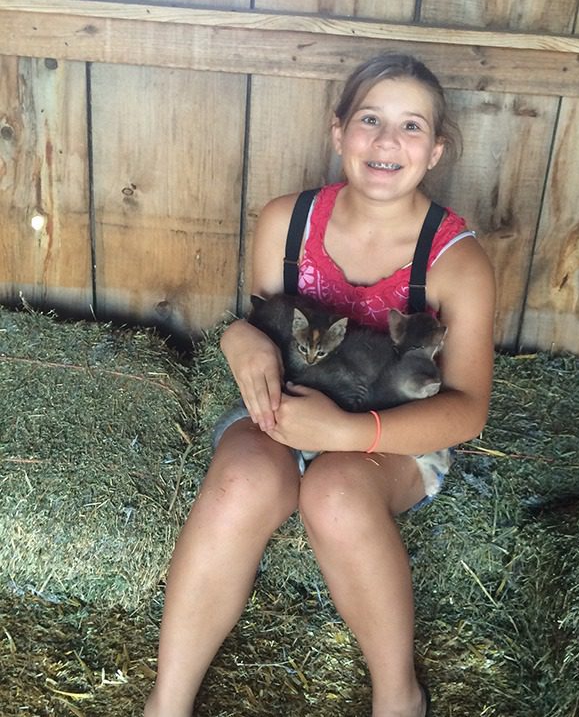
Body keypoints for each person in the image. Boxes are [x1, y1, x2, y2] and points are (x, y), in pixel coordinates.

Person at [144, 52, 496, 717]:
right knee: (242, 479)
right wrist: (237, 335)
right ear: (339, 133)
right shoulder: (287, 222)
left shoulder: (457, 262)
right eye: (370, 119)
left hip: (391, 430)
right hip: (287, 407)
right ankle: (167, 701)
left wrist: (347, 433)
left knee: (335, 492)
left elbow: (467, 411)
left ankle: (398, 695)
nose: (387, 141)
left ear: (437, 149)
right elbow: (263, 328)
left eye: (411, 126)